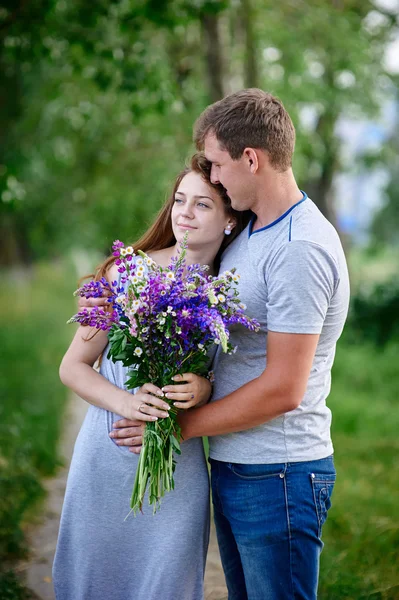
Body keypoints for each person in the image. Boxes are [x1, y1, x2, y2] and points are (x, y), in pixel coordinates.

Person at [106, 89, 350, 600]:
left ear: (252, 159)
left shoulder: (298, 248)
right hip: (239, 464)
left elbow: (284, 388)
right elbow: (239, 344)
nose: (212, 177)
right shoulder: (254, 232)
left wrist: (177, 429)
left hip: (279, 474)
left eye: (217, 165)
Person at [52, 153, 251, 600]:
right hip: (109, 452)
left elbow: (237, 372)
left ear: (230, 221)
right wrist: (126, 402)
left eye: (202, 204)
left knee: (167, 585)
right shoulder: (128, 273)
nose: (184, 211)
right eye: (180, 200)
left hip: (177, 467)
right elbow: (73, 367)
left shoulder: (231, 293)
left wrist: (204, 388)